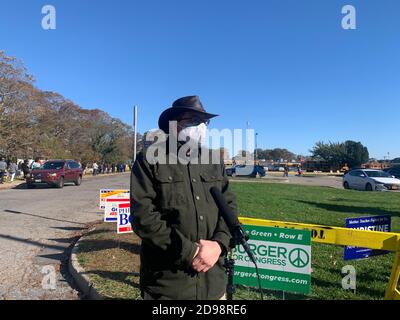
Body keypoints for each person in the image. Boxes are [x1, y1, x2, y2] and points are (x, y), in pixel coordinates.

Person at [130, 96, 237, 300]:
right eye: (194, 121)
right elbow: (142, 217)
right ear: (174, 125)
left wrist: (219, 245)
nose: (201, 127)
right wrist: (190, 253)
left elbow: (229, 206)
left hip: (213, 283)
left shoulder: (214, 160)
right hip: (168, 285)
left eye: (205, 122)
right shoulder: (149, 160)